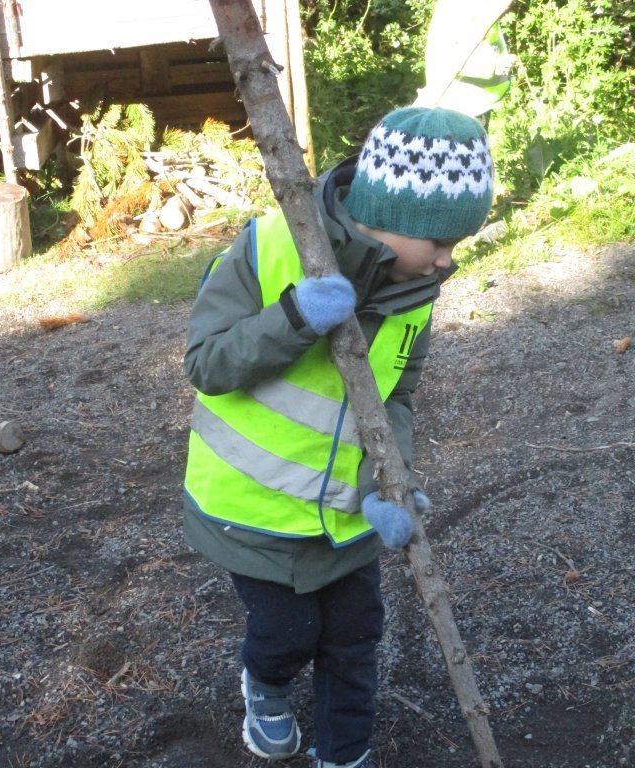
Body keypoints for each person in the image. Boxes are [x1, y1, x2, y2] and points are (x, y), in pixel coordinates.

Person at [182, 107, 493, 768]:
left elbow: (398, 397)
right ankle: (264, 689)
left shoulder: (418, 291)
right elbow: (207, 365)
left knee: (355, 637)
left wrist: (395, 483)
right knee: (287, 633)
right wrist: (295, 316)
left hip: (348, 516)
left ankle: (344, 754)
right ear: (390, 220)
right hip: (253, 514)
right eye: (439, 241)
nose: (447, 259)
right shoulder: (269, 246)